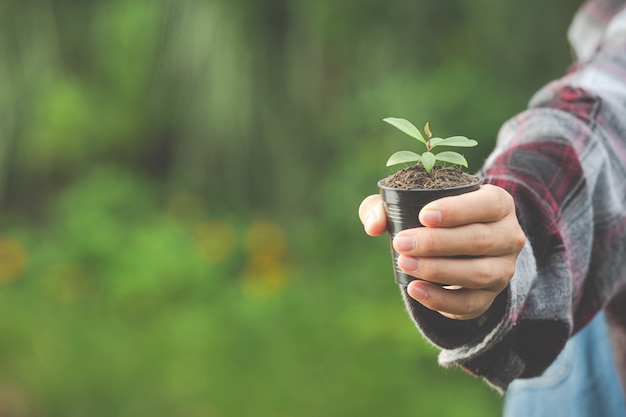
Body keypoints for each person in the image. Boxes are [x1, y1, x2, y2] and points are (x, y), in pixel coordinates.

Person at [358, 0, 626, 415]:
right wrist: (507, 225)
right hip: (580, 310)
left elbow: (604, 110)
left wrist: (516, 218)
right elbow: (602, 112)